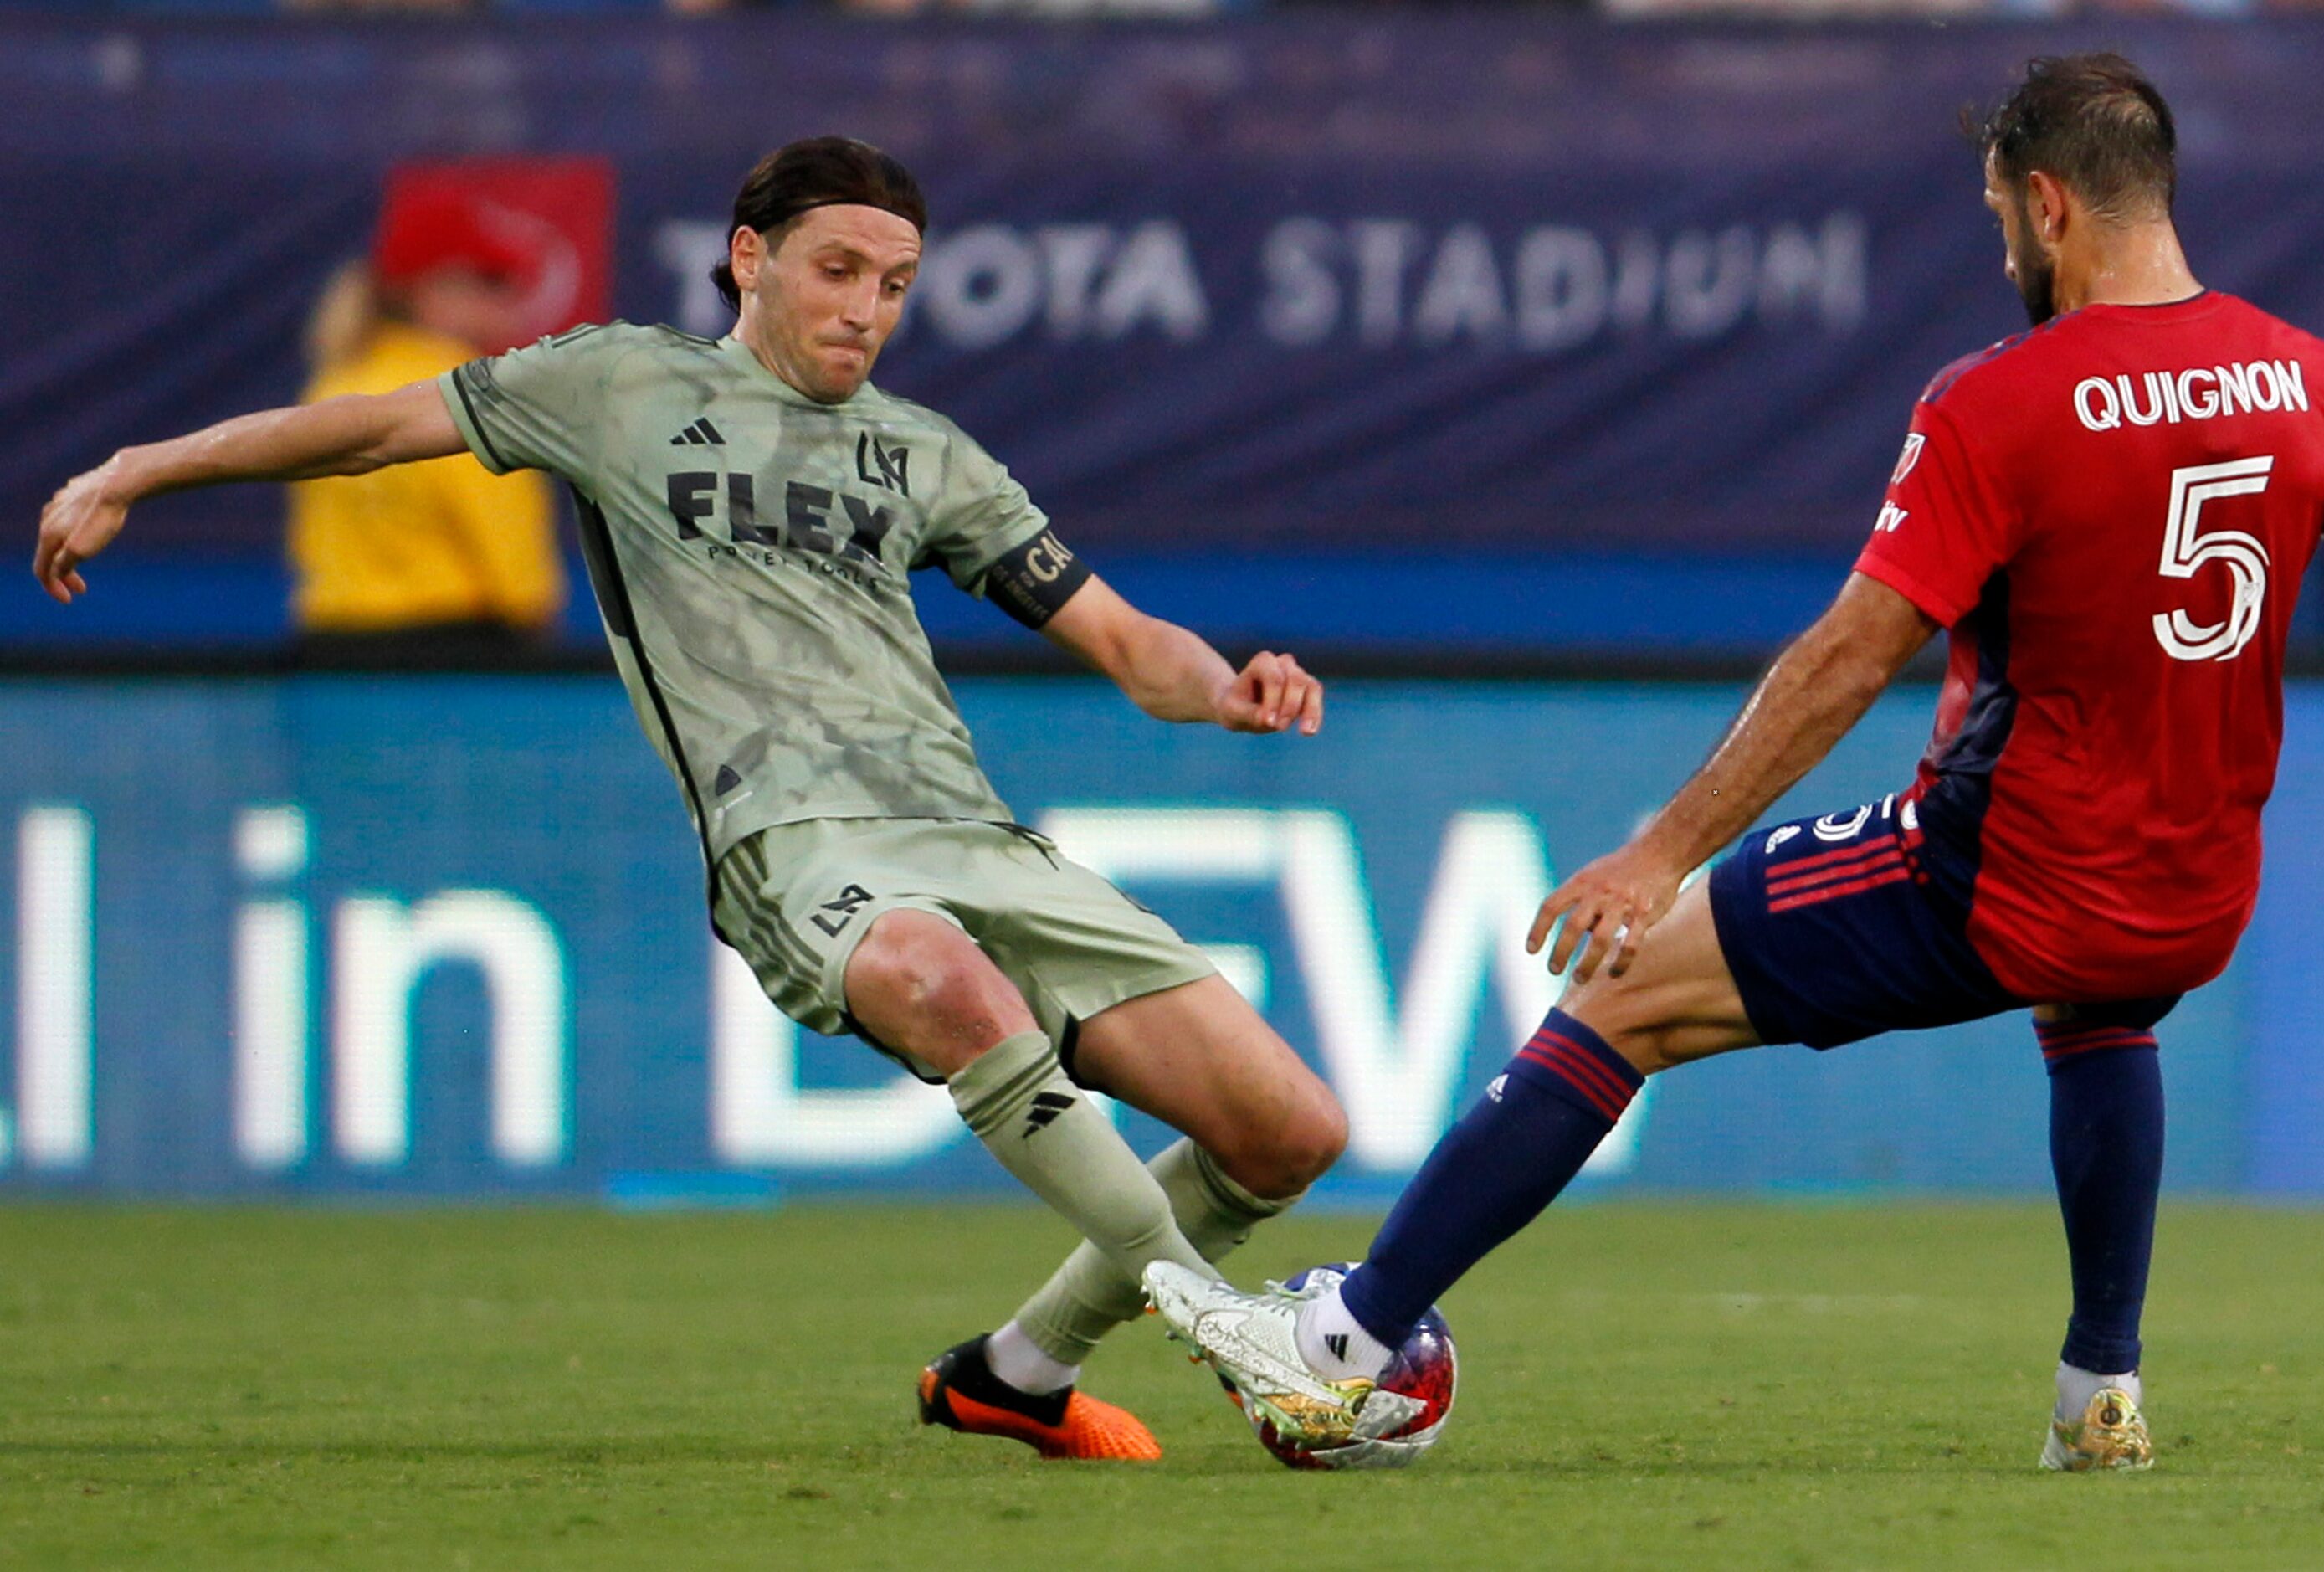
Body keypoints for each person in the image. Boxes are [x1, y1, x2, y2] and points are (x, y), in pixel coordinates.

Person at [1147, 53, 2324, 1473]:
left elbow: (1848, 654)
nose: (2001, 249)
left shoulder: (1998, 400)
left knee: (1627, 989)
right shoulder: (2314, 380)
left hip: (1999, 865)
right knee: (2100, 1015)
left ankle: (1345, 1341)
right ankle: (2100, 1390)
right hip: (2192, 891)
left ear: (2046, 203)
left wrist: (1663, 849)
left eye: (1997, 219)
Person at [33, 136, 1347, 1463]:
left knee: (1290, 1128)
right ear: (749, 259)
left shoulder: (926, 453)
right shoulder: (615, 383)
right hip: (792, 839)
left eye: (896, 284)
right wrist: (139, 465)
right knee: (937, 978)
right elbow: (371, 428)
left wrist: (1225, 683)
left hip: (969, 830)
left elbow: (1128, 644)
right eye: (838, 271)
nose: (866, 310)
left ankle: (1015, 1372)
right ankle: (1218, 1317)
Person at [290, 187, 563, 666]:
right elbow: (519, 581)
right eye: (491, 281)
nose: (512, 298)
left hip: (330, 658)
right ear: (430, 287)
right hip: (450, 664)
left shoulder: (336, 380)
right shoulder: (470, 391)